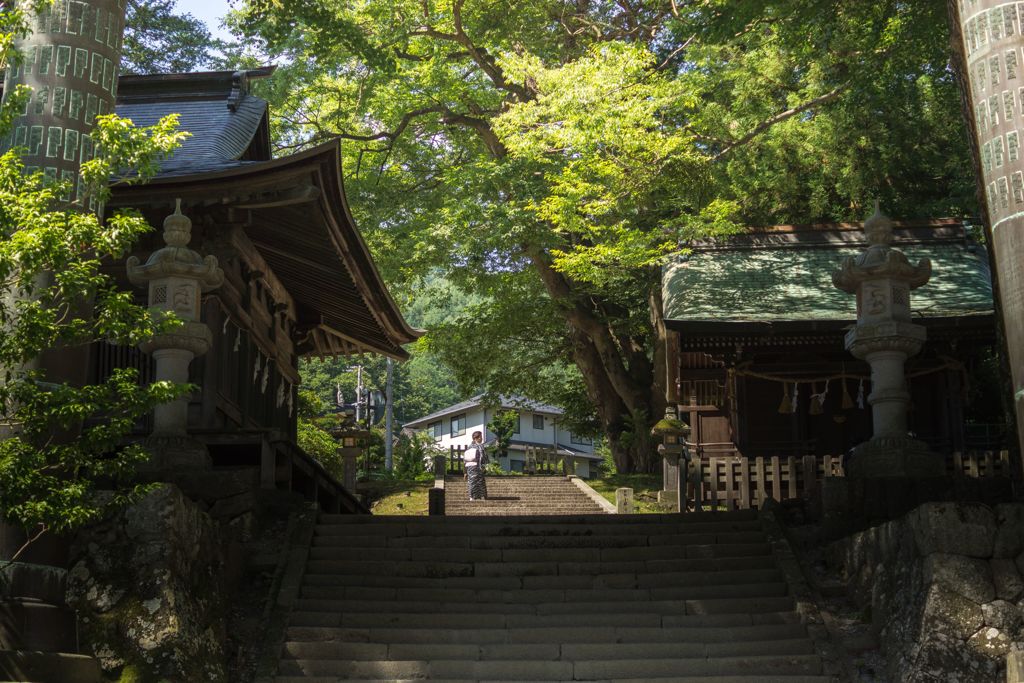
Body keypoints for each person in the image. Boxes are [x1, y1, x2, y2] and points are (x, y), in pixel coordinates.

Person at [464, 430, 488, 501]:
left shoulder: (469, 446)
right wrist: (485, 466)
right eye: (480, 437)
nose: (481, 438)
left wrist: (465, 471)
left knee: (473, 482)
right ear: (476, 438)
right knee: (478, 482)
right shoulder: (480, 446)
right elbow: (484, 457)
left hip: (471, 467)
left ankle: (473, 497)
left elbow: (465, 459)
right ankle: (480, 496)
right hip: (476, 467)